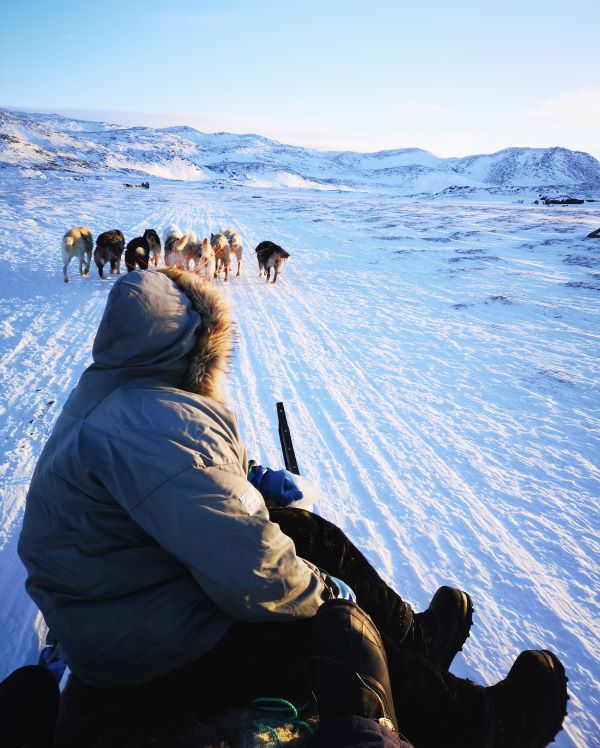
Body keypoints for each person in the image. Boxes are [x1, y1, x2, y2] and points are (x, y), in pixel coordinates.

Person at [17, 268, 568, 747]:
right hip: (145, 643)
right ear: (193, 343)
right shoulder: (153, 425)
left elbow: (196, 488)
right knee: (327, 626)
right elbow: (257, 575)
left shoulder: (118, 392)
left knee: (305, 530)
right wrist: (328, 594)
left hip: (127, 596)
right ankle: (473, 726)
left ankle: (413, 639)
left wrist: (253, 481)